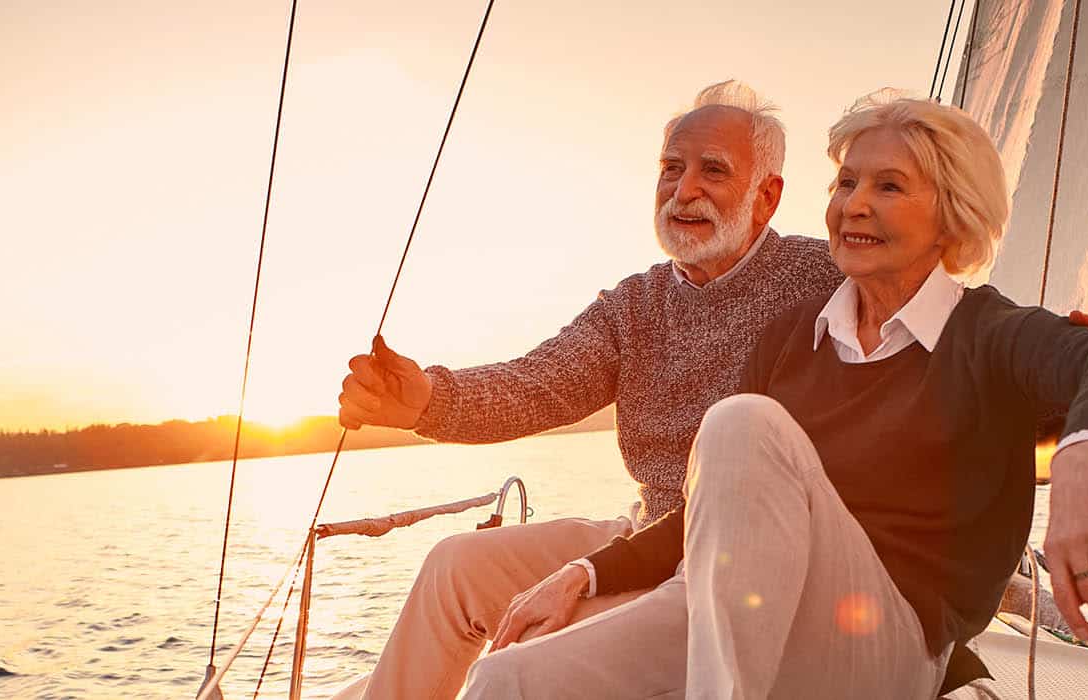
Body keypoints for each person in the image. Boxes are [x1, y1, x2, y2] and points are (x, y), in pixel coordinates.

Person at [461, 93, 1088, 698]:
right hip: (734, 603)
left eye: (888, 187)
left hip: (887, 637)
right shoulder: (790, 338)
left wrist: (1085, 460)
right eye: (845, 185)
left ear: (953, 217)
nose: (853, 206)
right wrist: (583, 574)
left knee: (741, 423)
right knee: (505, 684)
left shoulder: (987, 334)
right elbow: (704, 515)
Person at [331, 81, 845, 699]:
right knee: (453, 567)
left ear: (766, 197)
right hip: (643, 536)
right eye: (671, 169)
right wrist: (426, 401)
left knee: (523, 655)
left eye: (713, 170)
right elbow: (536, 383)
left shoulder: (823, 279)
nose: (684, 191)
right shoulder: (636, 304)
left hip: (737, 567)